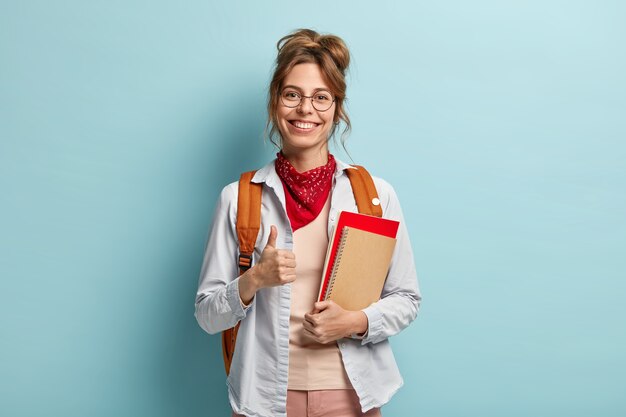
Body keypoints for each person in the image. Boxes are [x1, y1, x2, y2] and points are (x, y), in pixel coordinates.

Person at [195, 28, 421, 417]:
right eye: (292, 95)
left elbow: (407, 299)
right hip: (265, 398)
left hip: (351, 395)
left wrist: (355, 321)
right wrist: (253, 280)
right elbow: (207, 315)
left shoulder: (374, 196)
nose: (305, 110)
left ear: (336, 107)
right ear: (275, 102)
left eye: (321, 97)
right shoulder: (239, 198)